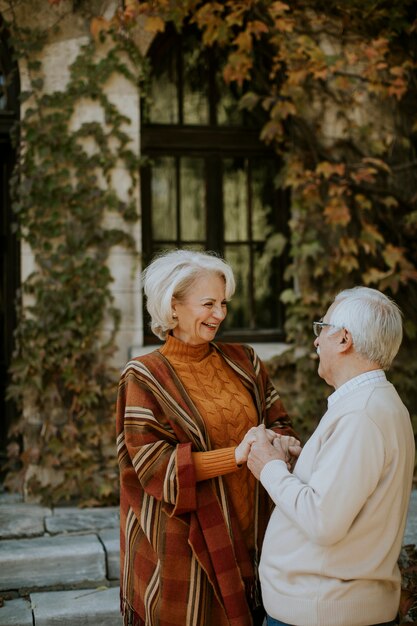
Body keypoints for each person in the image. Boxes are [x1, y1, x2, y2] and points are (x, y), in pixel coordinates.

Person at [116, 249, 299, 626]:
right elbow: (153, 468)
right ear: (173, 307)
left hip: (254, 531)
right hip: (187, 546)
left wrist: (282, 442)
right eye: (208, 304)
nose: (220, 314)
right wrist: (238, 455)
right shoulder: (144, 376)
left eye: (224, 303)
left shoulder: (244, 360)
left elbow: (279, 422)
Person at [247, 286, 415, 626]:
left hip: (324, 612)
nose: (316, 341)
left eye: (321, 328)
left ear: (344, 339)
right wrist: (299, 465)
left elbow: (323, 522)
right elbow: (339, 497)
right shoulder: (369, 403)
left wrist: (269, 467)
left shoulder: (361, 415)